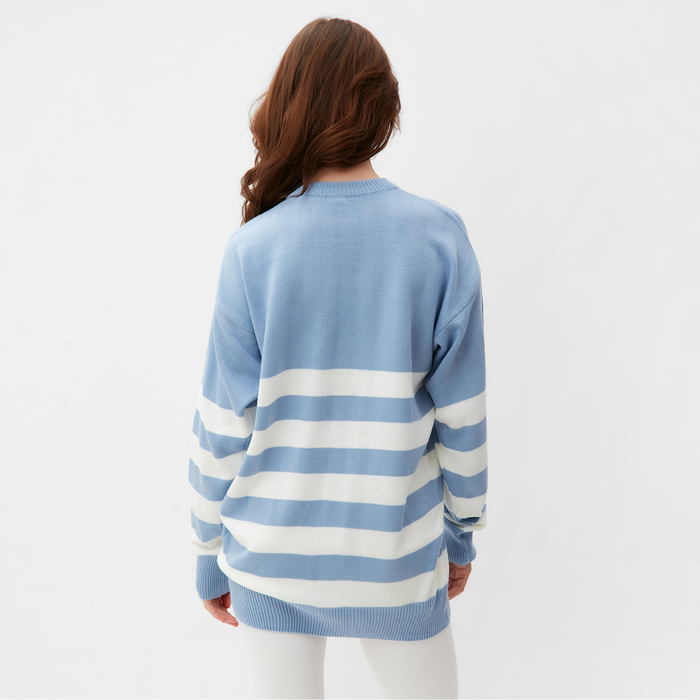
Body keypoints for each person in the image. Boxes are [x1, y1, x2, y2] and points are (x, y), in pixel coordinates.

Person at [187, 15, 488, 699]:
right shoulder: (439, 238)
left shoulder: (252, 250)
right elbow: (463, 418)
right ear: (385, 109)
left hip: (270, 562)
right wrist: (461, 535)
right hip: (397, 560)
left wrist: (206, 550)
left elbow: (221, 426)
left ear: (288, 106)